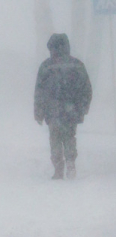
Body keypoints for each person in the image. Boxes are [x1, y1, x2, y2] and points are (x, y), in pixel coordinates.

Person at [34, 33, 92, 180]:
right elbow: (86, 89)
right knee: (69, 137)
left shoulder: (46, 66)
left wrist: (39, 111)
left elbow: (39, 91)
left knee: (54, 139)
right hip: (71, 110)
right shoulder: (77, 65)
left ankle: (58, 169)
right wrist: (83, 107)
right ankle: (71, 164)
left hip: (53, 111)